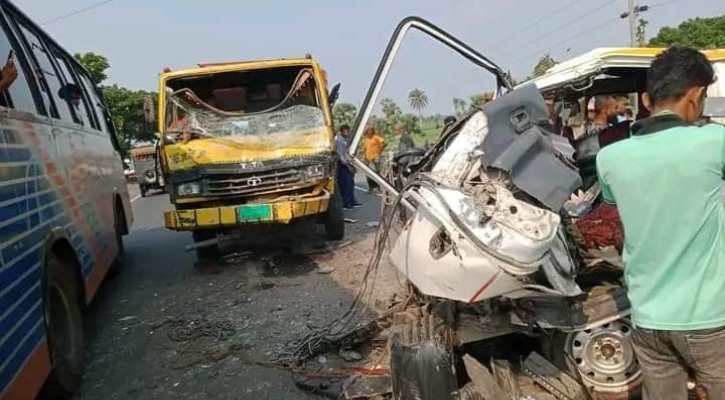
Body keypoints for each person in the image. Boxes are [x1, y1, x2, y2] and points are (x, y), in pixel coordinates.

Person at [595, 46, 725, 399]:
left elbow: (618, 222)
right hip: (709, 319)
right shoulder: (715, 142)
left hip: (648, 319)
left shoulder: (610, 158)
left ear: (646, 98)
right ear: (697, 95)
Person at [334, 124, 362, 210]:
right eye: (345, 131)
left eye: (348, 131)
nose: (347, 133)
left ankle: (352, 200)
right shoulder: (339, 140)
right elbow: (340, 154)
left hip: (349, 163)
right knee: (345, 184)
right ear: (341, 131)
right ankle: (346, 203)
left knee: (350, 184)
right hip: (343, 165)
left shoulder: (347, 140)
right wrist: (346, 165)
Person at [362, 124, 386, 193]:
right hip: (368, 158)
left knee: (376, 173)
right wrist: (365, 157)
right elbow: (365, 148)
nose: (370, 131)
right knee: (368, 174)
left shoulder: (376, 137)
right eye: (369, 130)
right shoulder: (366, 139)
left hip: (375, 158)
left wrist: (379, 151)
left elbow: (384, 143)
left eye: (371, 130)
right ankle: (371, 188)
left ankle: (378, 188)